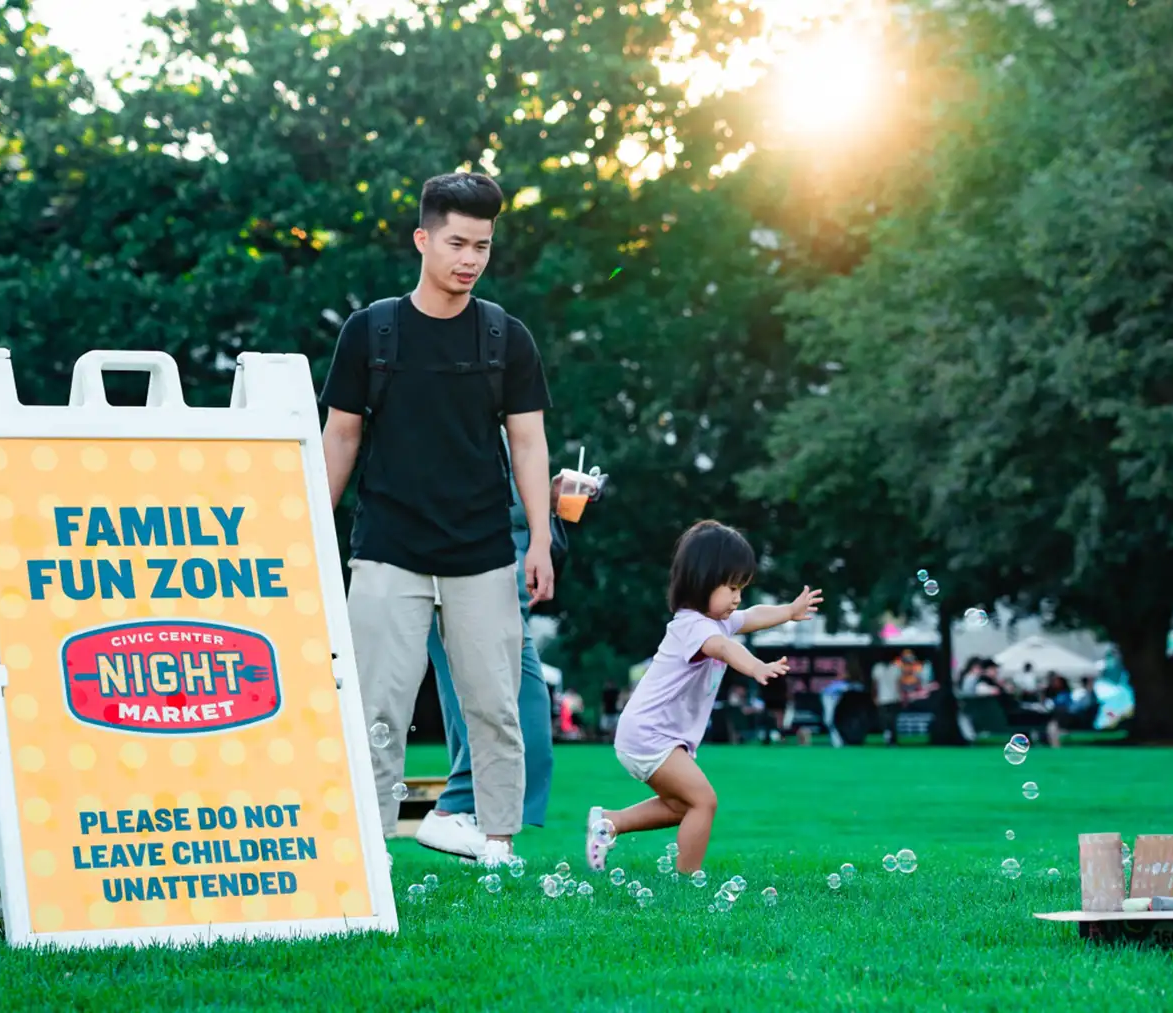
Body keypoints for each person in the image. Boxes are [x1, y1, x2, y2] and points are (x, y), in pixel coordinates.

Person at [319, 171, 553, 865]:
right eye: (457, 242)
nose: (471, 258)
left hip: (483, 551)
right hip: (388, 548)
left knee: (495, 705)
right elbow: (340, 438)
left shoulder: (504, 337)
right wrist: (306, 530)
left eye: (482, 245)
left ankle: (499, 841)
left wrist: (538, 538)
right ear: (423, 238)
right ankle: (369, 848)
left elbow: (529, 440)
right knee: (376, 711)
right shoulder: (372, 332)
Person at [583, 520, 822, 875]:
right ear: (700, 581)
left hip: (658, 735)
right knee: (703, 801)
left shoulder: (718, 620)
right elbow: (723, 648)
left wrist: (788, 611)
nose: (738, 597)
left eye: (742, 587)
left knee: (682, 805)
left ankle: (608, 823)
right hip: (649, 735)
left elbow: (751, 616)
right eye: (730, 587)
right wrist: (756, 667)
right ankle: (688, 880)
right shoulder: (693, 626)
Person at [415, 464, 592, 857]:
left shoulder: (510, 430)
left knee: (498, 723)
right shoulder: (466, 425)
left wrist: (550, 500)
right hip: (465, 588)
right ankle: (457, 818)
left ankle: (476, 830)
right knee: (495, 719)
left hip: (510, 600)